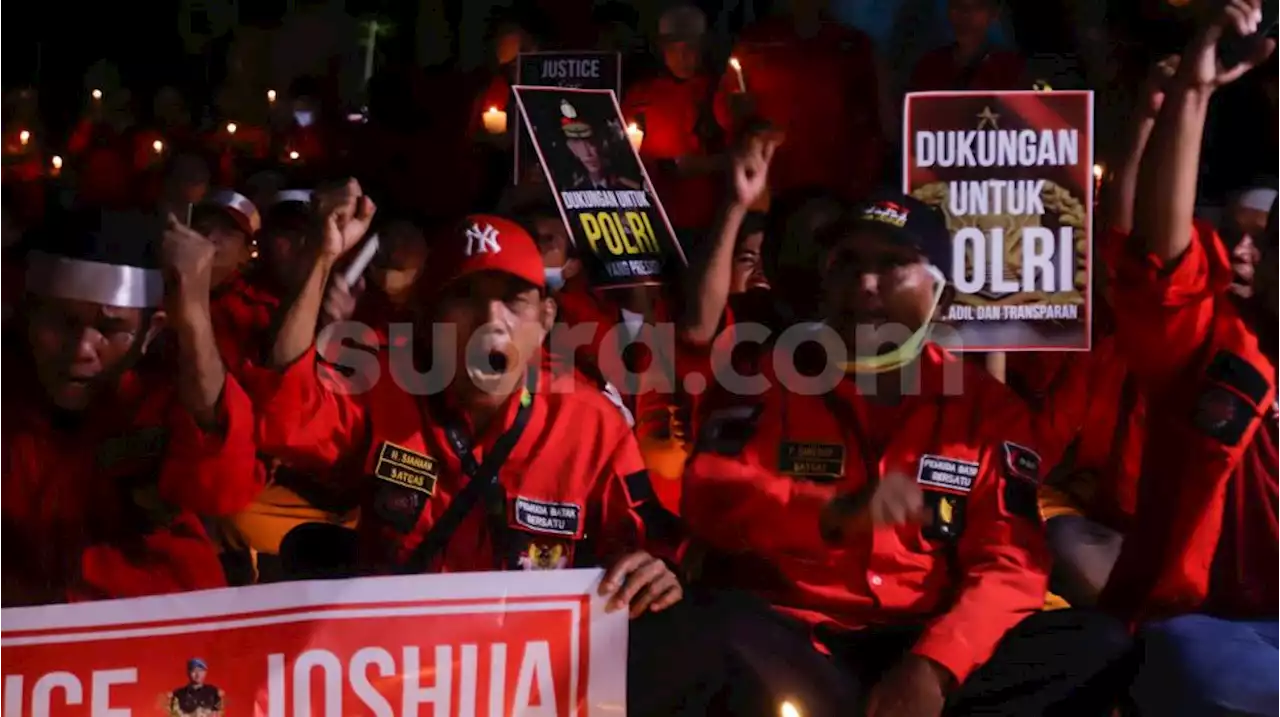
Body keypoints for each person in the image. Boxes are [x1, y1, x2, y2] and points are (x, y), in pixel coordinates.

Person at [680, 137, 1130, 716]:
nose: (866, 285)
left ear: (939, 292)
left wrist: (934, 668)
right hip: (797, 637)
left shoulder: (986, 410)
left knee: (1097, 646)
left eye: (892, 265)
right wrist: (827, 511)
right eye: (848, 264)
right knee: (704, 632)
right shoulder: (764, 379)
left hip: (925, 638)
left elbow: (1010, 561)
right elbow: (709, 495)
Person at [251, 200, 734, 715]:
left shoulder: (591, 422)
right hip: (394, 681)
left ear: (546, 318)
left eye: (513, 301)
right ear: (428, 319)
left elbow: (642, 542)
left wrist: (656, 569)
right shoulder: (386, 387)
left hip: (529, 687)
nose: (489, 320)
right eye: (465, 298)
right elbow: (285, 415)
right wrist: (319, 262)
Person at [1097, 1, 1280, 713]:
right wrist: (1191, 95)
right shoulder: (1211, 343)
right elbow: (1154, 256)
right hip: (1209, 629)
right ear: (1261, 262)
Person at [0, 209, 260, 606]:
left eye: (110, 329)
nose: (81, 351)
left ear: (149, 332)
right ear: (29, 317)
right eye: (62, 323)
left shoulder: (164, 394)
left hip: (158, 634)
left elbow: (223, 488)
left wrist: (193, 315)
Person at [715, 0, 885, 203]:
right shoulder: (756, 43)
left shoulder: (851, 47)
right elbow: (725, 110)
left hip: (836, 192)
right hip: (770, 190)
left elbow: (874, 122)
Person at [622, 4, 726, 234]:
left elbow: (740, 155)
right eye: (674, 48)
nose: (682, 57)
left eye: (691, 48)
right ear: (661, 49)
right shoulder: (641, 94)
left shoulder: (719, 91)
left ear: (704, 46)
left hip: (705, 220)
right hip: (650, 216)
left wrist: (708, 165)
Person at [908, 0, 1025, 92]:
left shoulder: (1010, 67)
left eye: (977, 7)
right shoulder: (930, 66)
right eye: (957, 6)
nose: (965, 16)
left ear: (994, 14)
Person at [560, 99, 642, 190]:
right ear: (571, 147)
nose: (587, 153)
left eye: (591, 141)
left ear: (604, 141)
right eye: (577, 142)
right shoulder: (573, 191)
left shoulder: (629, 188)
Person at [190, 190, 261, 290]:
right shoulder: (163, 287)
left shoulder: (256, 304)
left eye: (227, 232)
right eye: (203, 228)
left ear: (245, 254)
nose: (210, 237)